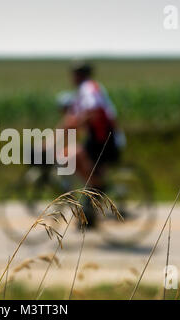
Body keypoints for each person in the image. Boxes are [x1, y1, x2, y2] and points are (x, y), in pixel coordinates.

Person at [58, 61, 125, 227]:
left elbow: (92, 112)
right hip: (98, 139)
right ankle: (91, 205)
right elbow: (71, 120)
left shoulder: (89, 88)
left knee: (70, 158)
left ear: (78, 75)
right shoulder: (84, 91)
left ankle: (100, 188)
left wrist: (77, 124)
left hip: (105, 140)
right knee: (70, 157)